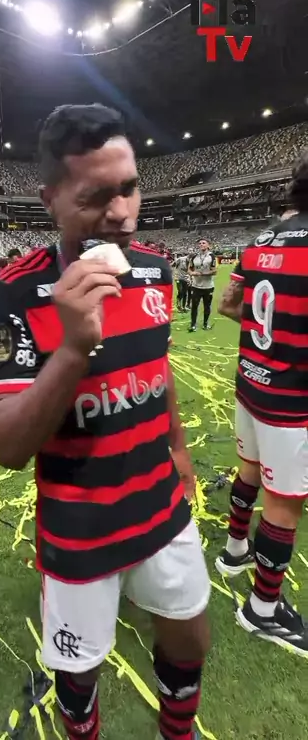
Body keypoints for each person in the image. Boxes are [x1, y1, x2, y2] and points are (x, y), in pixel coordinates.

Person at [0, 104, 210, 740]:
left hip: (161, 503)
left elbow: (157, 370)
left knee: (191, 635)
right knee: (78, 674)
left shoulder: (155, 271)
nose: (121, 213)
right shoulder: (16, 289)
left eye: (129, 188)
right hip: (79, 527)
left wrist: (179, 449)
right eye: (95, 197)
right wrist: (73, 349)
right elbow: (7, 444)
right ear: (51, 200)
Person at [216, 152, 308, 655]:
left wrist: (262, 337)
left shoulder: (260, 241)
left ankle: (234, 552)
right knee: (284, 505)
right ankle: (263, 610)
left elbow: (229, 304)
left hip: (251, 382)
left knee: (249, 471)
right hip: (291, 398)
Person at [188, 240, 217, 332]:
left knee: (207, 306)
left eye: (204, 243)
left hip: (208, 286)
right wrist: (193, 273)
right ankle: (193, 325)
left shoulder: (211, 256)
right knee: (194, 306)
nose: (201, 244)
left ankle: (205, 324)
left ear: (208, 245)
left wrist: (203, 274)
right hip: (196, 286)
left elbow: (214, 271)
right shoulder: (194, 257)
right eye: (200, 243)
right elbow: (189, 270)